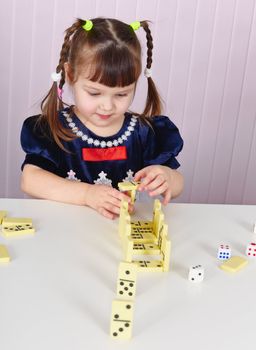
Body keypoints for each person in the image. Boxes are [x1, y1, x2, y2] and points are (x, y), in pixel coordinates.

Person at [20, 17, 184, 220]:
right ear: (70, 74)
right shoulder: (52, 129)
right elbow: (30, 180)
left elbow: (177, 184)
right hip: (66, 235)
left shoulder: (145, 133)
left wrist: (166, 177)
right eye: (95, 93)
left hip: (123, 239)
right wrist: (87, 194)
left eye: (121, 94)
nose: (107, 106)